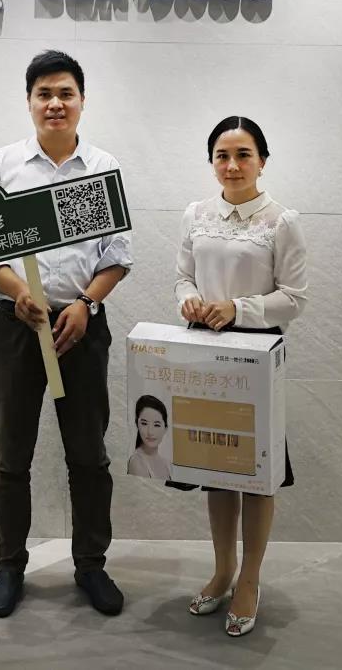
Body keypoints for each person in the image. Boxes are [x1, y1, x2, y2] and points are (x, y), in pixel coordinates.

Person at [0, 49, 132, 619]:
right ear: (30, 102)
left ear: (82, 101)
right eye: (45, 94)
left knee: (88, 454)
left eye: (66, 93)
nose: (55, 103)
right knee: (9, 454)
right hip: (17, 329)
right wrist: (19, 291)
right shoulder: (3, 166)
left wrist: (86, 304)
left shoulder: (101, 167)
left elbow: (117, 255)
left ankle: (91, 565)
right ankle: (9, 566)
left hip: (81, 329)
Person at [174, 115, 307, 638]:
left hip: (256, 353)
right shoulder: (195, 214)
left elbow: (294, 298)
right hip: (205, 350)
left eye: (243, 155)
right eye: (222, 156)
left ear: (262, 161)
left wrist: (238, 308)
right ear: (212, 163)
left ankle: (250, 577)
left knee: (257, 469)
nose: (232, 165)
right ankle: (223, 569)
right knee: (218, 465)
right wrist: (189, 300)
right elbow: (183, 277)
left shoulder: (281, 221)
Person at [127, 395, 172, 481]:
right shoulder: (137, 463)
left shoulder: (167, 464)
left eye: (156, 425)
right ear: (137, 424)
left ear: (165, 429)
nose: (150, 432)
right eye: (144, 423)